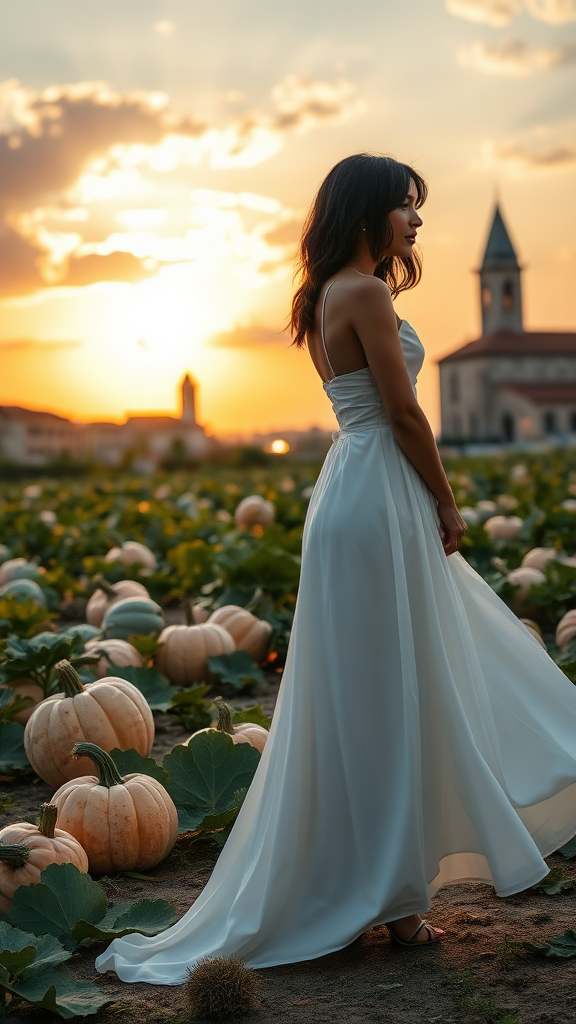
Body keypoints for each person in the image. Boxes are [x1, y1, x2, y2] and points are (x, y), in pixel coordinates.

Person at [96, 153, 576, 982]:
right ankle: (395, 900)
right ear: (369, 214)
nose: (417, 222)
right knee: (396, 683)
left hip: (349, 491)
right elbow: (403, 413)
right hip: (382, 489)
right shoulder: (367, 293)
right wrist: (448, 503)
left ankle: (391, 896)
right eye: (407, 208)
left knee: (369, 690)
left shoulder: (326, 295)